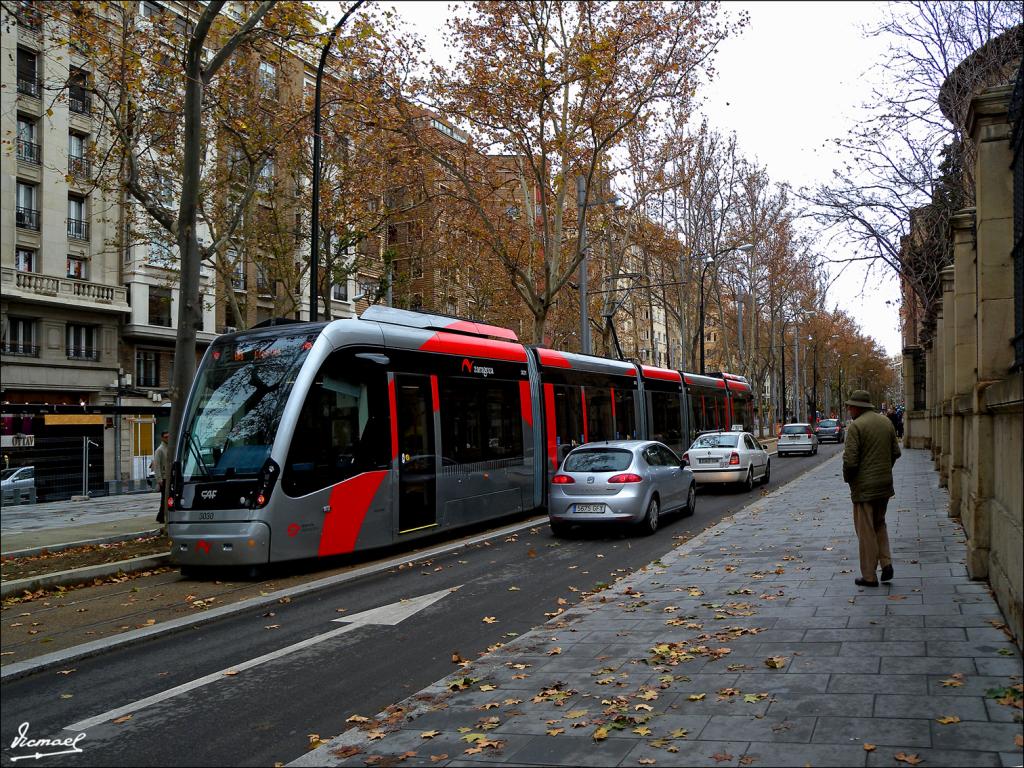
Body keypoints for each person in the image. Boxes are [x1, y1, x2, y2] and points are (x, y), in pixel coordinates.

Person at [842, 390, 901, 587]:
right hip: (884, 485)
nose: (849, 409)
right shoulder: (886, 422)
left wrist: (849, 480)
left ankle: (869, 575)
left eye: (850, 406)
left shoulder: (856, 427)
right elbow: (896, 452)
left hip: (864, 488)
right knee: (880, 524)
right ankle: (886, 563)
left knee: (866, 530)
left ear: (858, 407)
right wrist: (885, 469)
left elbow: (850, 462)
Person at [151, 431, 170, 527]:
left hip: (169, 477)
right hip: (164, 478)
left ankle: (163, 516)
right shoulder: (160, 450)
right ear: (162, 438)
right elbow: (156, 465)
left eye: (169, 437)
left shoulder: (169, 448)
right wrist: (159, 479)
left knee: (167, 498)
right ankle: (161, 516)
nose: (168, 438)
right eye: (166, 437)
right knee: (164, 498)